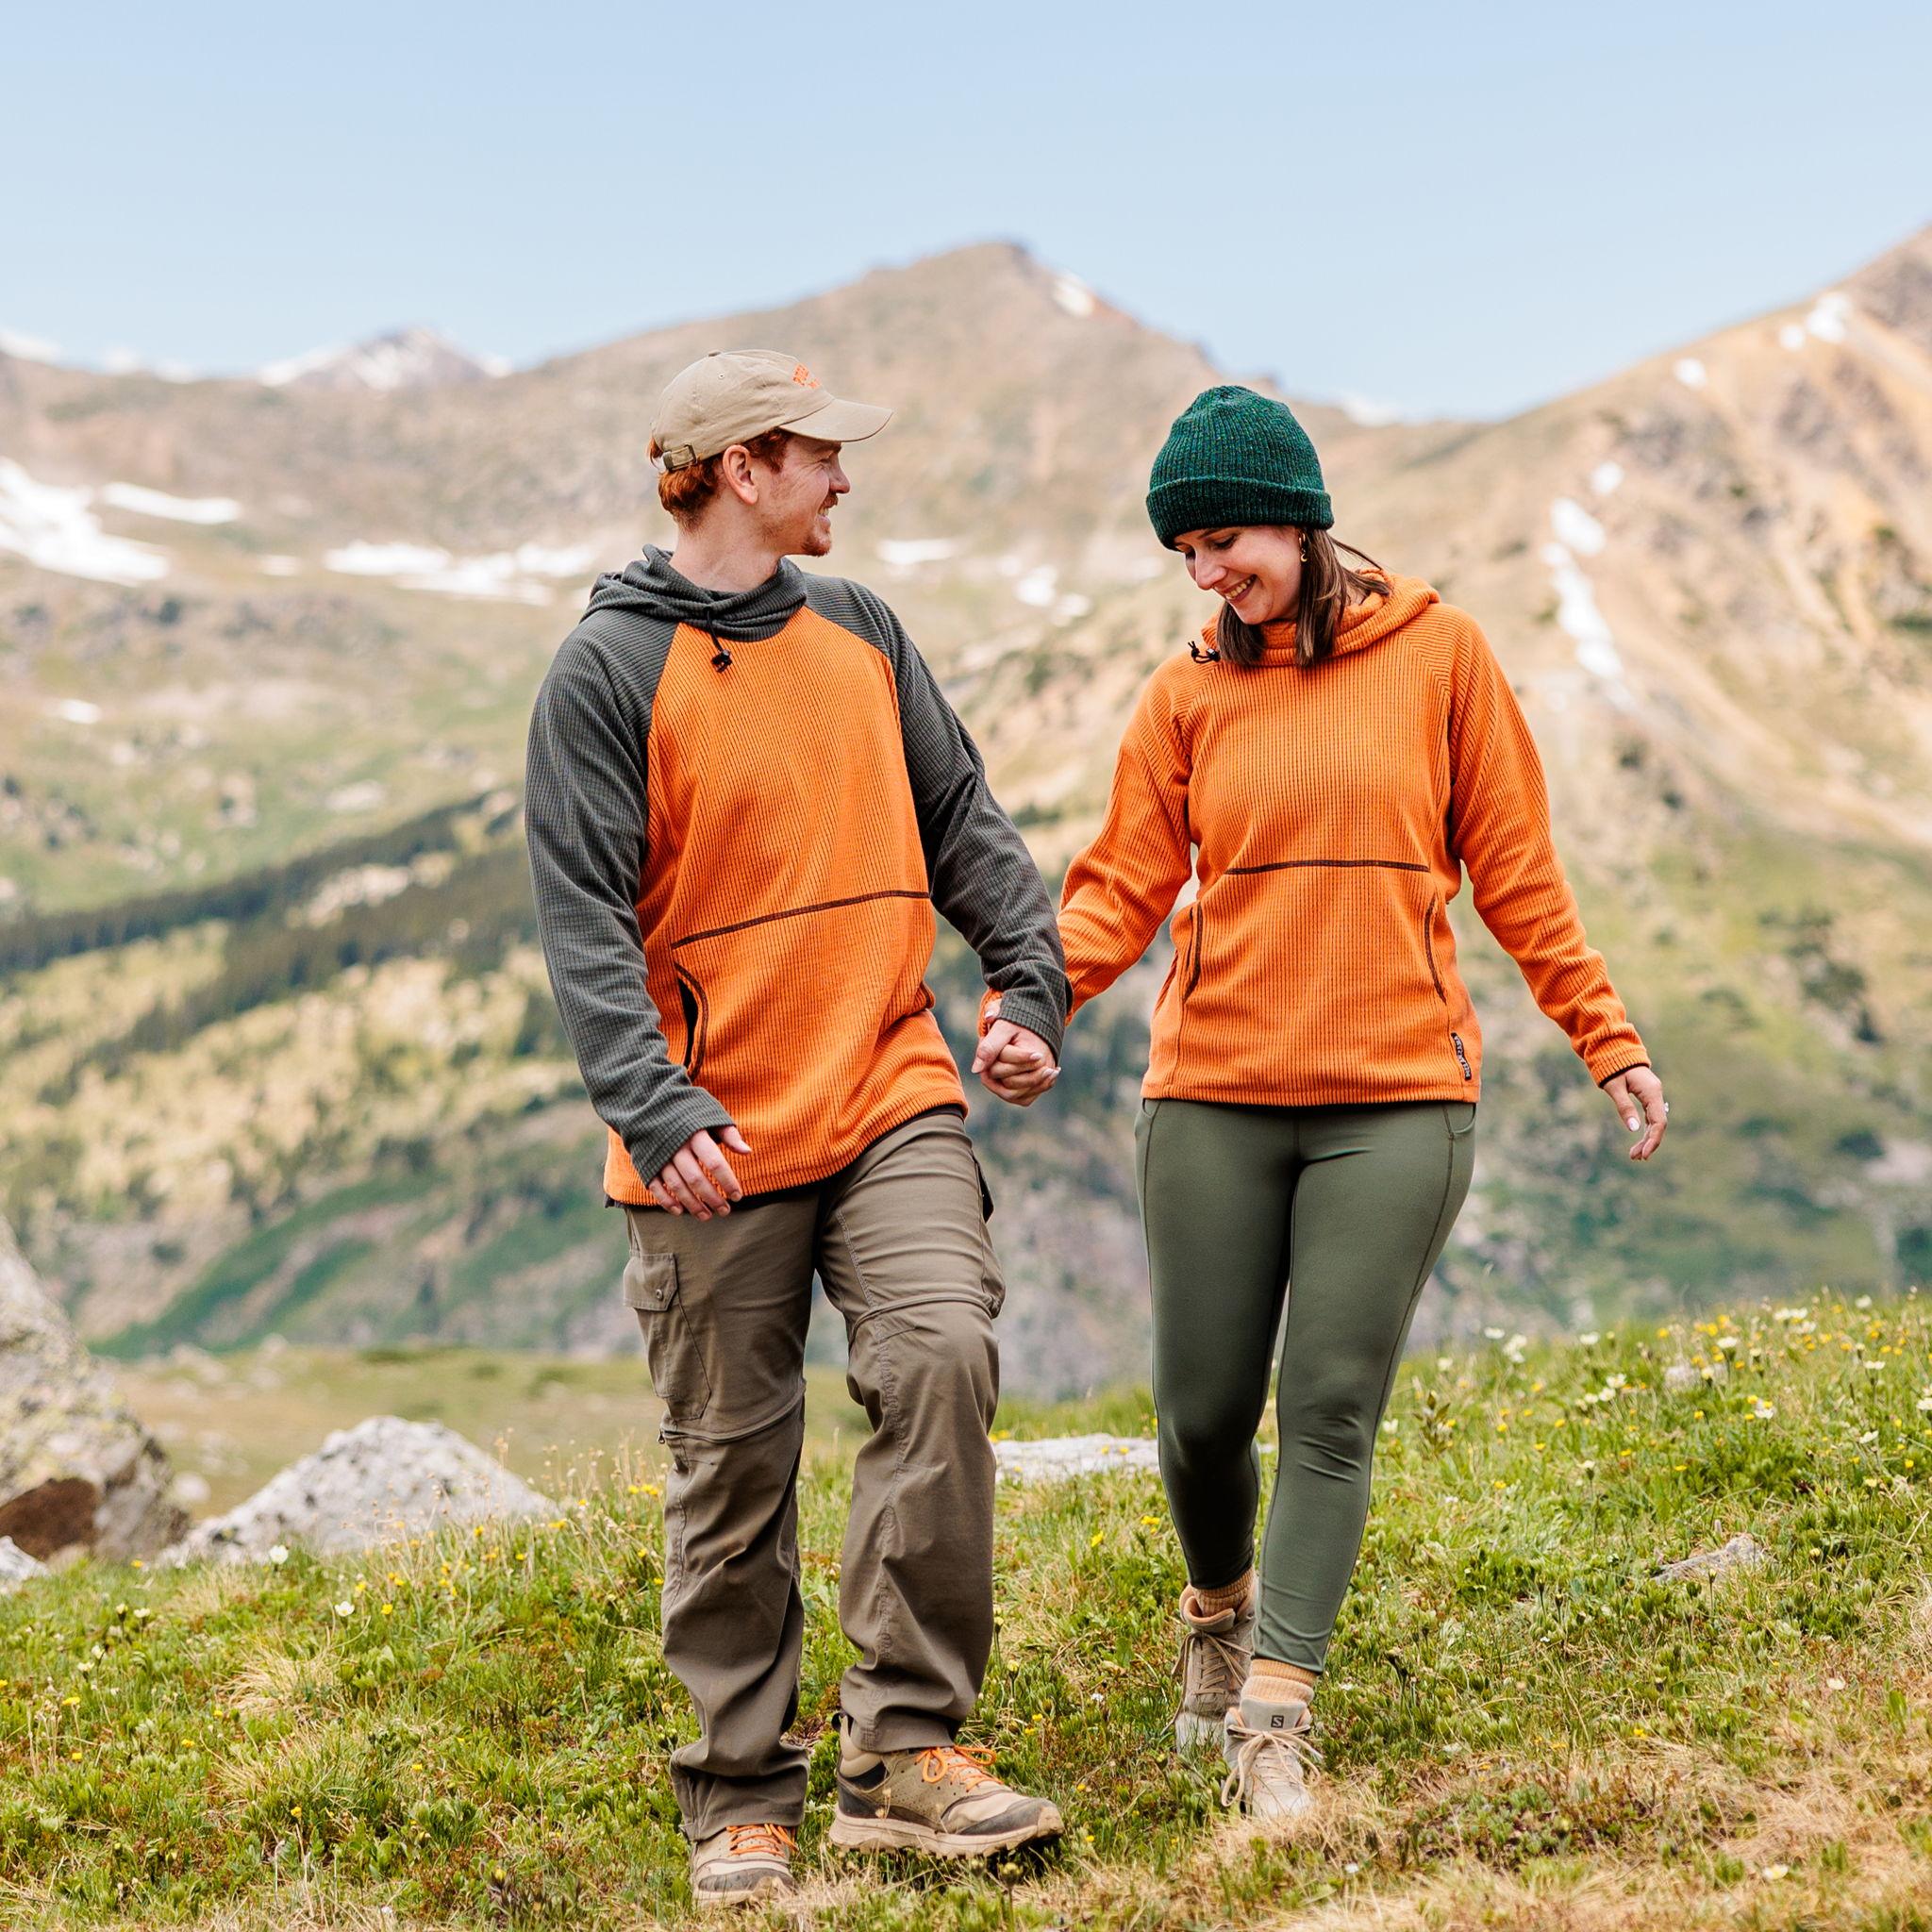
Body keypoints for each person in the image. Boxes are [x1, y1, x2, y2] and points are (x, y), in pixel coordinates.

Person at [977, 385, 1668, 1822]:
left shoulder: (1442, 658)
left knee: (1331, 1409)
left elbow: (1520, 874)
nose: (1205, 574)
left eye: (1222, 542)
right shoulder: (1184, 696)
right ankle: (1218, 1616)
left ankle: (1274, 1715)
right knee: (1199, 1419)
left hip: (1397, 1099)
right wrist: (1035, 1005)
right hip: (1213, 1096)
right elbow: (1117, 888)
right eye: (1185, 553)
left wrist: (1606, 1040)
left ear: (1296, 523)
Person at [525, 349, 1070, 1907]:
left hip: (889, 1087)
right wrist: (653, 1103)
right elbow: (581, 922)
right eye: (819, 454)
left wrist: (1026, 983)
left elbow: (963, 822)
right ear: (741, 468)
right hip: (709, 1135)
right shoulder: (607, 673)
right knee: (732, 1469)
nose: (844, 477)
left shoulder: (861, 631)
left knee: (943, 1354)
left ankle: (905, 1751)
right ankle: (740, 1794)